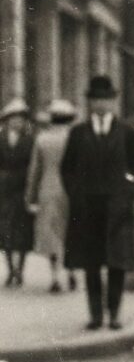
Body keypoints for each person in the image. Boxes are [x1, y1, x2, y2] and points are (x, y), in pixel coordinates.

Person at [61, 76, 134, 330]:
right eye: (96, 100)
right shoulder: (78, 133)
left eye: (106, 100)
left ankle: (115, 314)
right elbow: (67, 168)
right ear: (90, 103)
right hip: (87, 208)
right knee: (92, 263)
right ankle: (96, 316)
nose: (101, 105)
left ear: (113, 103)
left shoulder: (126, 133)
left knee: (116, 262)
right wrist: (76, 194)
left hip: (118, 208)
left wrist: (128, 190)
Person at [25, 99, 77, 292]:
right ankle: (71, 271)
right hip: (72, 189)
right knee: (70, 230)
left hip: (48, 188)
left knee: (52, 232)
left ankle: (55, 276)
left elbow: (34, 171)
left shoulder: (42, 139)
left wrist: (30, 197)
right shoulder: (75, 138)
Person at [0, 98, 35, 287]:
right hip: (4, 190)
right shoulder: (1, 138)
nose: (17, 122)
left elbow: (33, 164)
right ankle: (9, 269)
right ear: (7, 120)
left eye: (21, 119)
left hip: (23, 189)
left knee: (22, 232)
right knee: (5, 230)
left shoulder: (30, 140)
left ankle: (20, 269)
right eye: (14, 119)